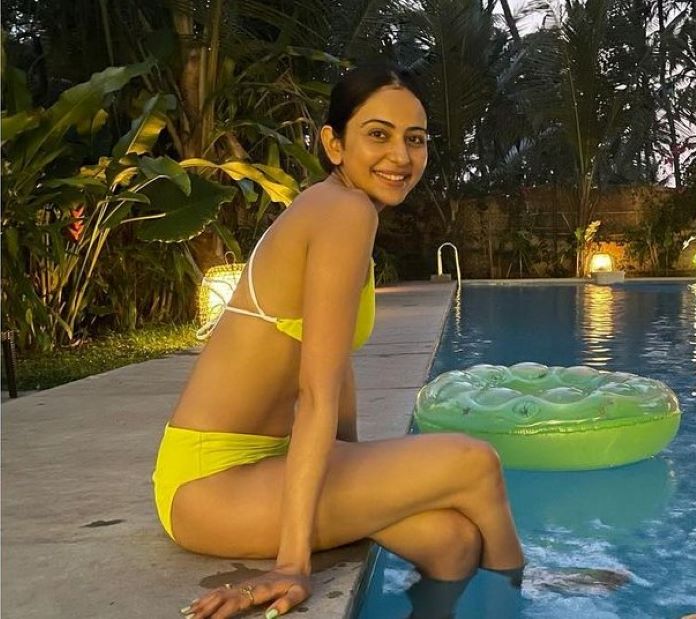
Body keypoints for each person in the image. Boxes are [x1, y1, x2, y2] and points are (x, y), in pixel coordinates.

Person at [153, 61, 525, 619]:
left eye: (415, 139)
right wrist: (291, 565)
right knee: (475, 462)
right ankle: (519, 595)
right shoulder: (343, 212)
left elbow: (334, 363)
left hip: (263, 463)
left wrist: (356, 461)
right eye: (378, 134)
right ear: (333, 144)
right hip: (209, 483)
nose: (400, 156)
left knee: (451, 542)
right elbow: (316, 394)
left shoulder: (337, 207)